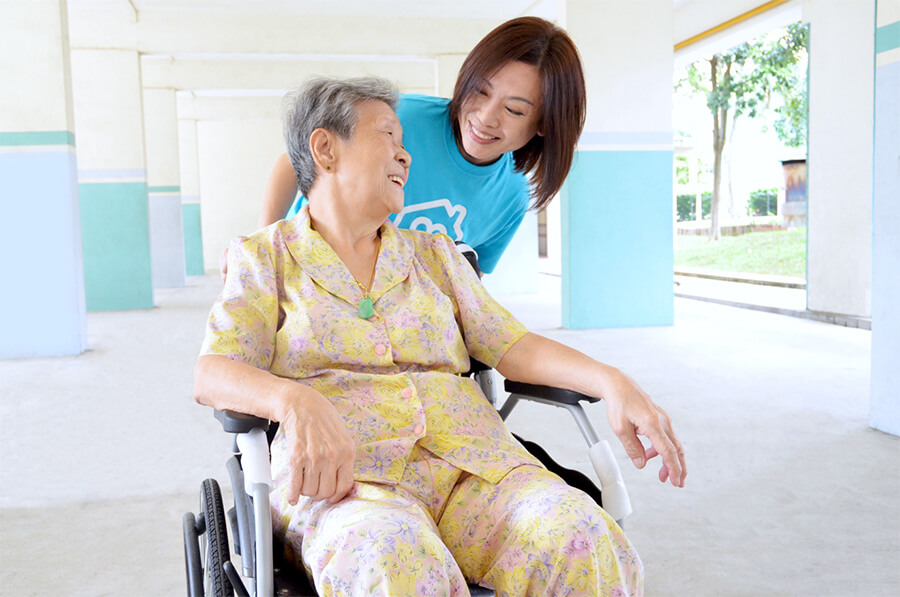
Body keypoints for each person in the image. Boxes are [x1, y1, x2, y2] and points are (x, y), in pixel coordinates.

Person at [195, 77, 685, 597]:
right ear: (325, 149)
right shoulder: (263, 257)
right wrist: (293, 400)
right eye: (388, 136)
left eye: (404, 143)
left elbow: (512, 345)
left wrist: (611, 381)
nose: (405, 156)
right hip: (350, 485)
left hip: (476, 470)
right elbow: (213, 371)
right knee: (392, 560)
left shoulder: (436, 255)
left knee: (580, 535)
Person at [256, 16, 586, 276]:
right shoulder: (398, 118)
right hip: (305, 272)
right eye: (480, 92)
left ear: (544, 123)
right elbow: (295, 160)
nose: (485, 118)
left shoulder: (511, 195)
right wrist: (261, 248)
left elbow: (467, 280)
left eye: (514, 110)